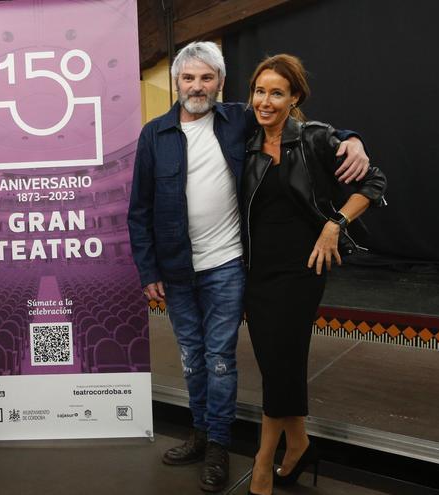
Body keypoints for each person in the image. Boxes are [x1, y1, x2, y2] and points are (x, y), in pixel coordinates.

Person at [127, 41, 369, 492]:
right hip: (177, 269)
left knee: (219, 360)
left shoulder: (237, 117)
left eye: (207, 78)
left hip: (228, 264)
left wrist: (353, 138)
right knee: (192, 360)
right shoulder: (153, 135)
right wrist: (148, 271)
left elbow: (300, 122)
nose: (197, 86)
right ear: (177, 82)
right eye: (188, 78)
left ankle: (219, 444)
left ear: (220, 83)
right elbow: (138, 211)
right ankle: (200, 436)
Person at [242, 54, 386, 495]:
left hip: (303, 269)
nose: (266, 101)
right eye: (259, 91)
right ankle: (300, 442)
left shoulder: (315, 138)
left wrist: (335, 223)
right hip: (256, 271)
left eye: (277, 93)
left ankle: (263, 462)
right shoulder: (245, 141)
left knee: (281, 360)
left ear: (295, 98)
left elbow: (374, 183)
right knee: (275, 362)